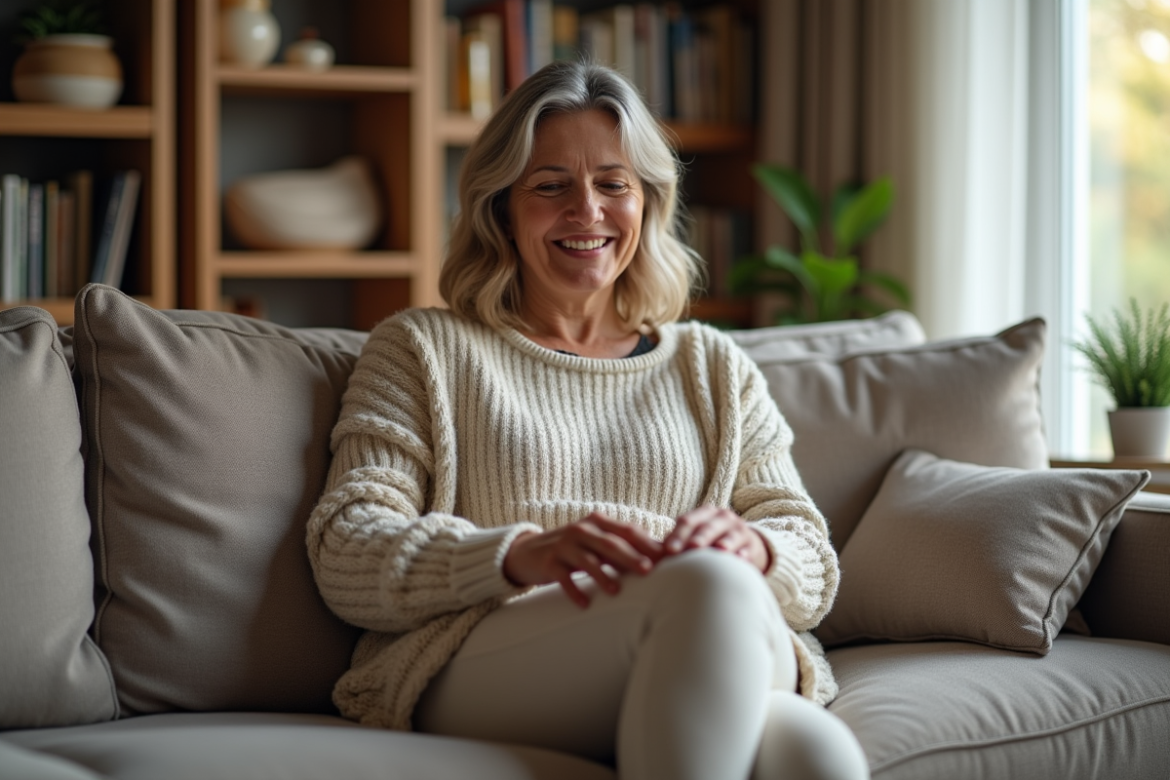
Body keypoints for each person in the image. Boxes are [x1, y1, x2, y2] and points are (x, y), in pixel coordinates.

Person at [307, 60, 868, 780]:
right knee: (710, 586)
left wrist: (754, 548)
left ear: (647, 204)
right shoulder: (422, 349)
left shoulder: (713, 367)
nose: (589, 212)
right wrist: (513, 556)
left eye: (613, 184)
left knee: (818, 755)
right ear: (501, 207)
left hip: (702, 632)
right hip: (479, 650)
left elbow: (812, 561)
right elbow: (346, 546)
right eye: (551, 187)